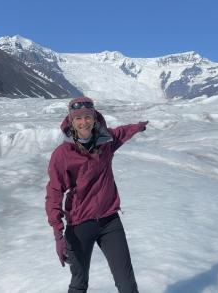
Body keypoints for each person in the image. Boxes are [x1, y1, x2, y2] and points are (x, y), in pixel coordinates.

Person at [45, 97, 148, 293]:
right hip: (79, 225)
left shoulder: (106, 141)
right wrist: (58, 235)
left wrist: (138, 127)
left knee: (127, 284)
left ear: (94, 118)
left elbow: (122, 132)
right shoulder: (63, 154)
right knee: (79, 284)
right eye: (78, 119)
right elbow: (54, 193)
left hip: (110, 221)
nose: (83, 122)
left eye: (87, 117)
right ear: (71, 122)